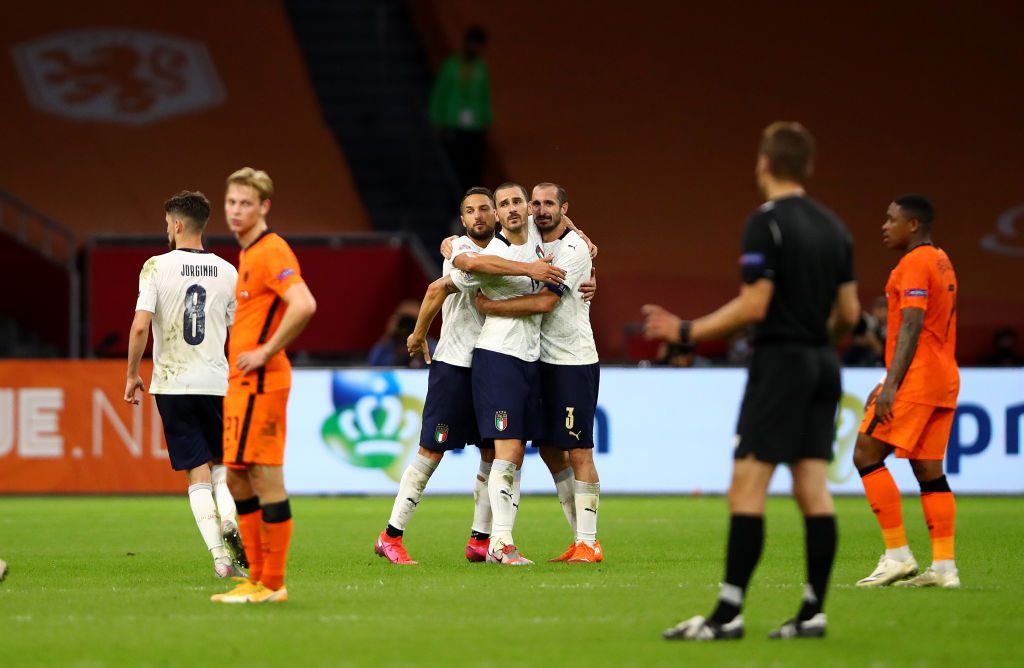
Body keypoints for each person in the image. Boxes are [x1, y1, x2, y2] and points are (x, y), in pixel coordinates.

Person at [644, 122, 860, 640]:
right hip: (823, 363)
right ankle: (812, 612)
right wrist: (818, 343)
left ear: (763, 163)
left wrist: (686, 331)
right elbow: (850, 315)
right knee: (812, 487)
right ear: (807, 167)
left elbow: (755, 305)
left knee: (746, 487)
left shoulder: (765, 223)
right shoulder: (834, 227)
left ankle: (728, 614)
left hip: (781, 363)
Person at [374, 186, 565, 565]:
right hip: (455, 362)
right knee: (432, 450)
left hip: (491, 364)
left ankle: (480, 538)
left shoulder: (515, 243)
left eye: (484, 209)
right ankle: (391, 534)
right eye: (470, 211)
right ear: (462, 220)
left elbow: (554, 216)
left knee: (492, 451)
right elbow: (436, 289)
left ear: (496, 214)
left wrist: (583, 240)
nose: (478, 216)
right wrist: (418, 335)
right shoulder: (462, 251)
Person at [474, 183, 604, 564]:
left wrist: (492, 307)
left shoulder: (573, 249)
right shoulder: (530, 233)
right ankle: (577, 539)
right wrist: (450, 243)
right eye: (537, 203)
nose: (542, 209)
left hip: (573, 361)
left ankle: (589, 541)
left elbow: (547, 301)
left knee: (578, 449)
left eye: (551, 204)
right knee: (548, 450)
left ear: (564, 207)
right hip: (537, 360)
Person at [123, 191, 244, 580]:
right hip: (216, 382)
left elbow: (140, 326)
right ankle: (230, 518)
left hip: (173, 383)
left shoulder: (156, 267)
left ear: (176, 224)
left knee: (195, 472)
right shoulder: (228, 271)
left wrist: (132, 374)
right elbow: (237, 332)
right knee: (222, 464)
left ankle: (220, 559)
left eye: (166, 223)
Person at [210, 168, 317, 604]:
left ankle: (272, 583)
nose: (236, 211)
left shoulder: (271, 250)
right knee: (237, 476)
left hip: (262, 382)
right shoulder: (249, 253)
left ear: (264, 207)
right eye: (231, 202)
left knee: (264, 477)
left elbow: (304, 303)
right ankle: (257, 577)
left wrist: (267, 350)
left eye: (245, 204)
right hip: (243, 383)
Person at [852, 195, 961, 589]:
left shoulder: (914, 263)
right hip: (943, 378)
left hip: (917, 378)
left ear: (912, 225)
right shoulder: (941, 259)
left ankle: (897, 555)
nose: (884, 226)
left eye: (891, 219)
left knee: (865, 453)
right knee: (929, 470)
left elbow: (912, 324)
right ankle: (944, 568)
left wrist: (891, 384)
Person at [429, 26, 493, 194]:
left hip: (475, 127)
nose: (474, 48)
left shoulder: (481, 67)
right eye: (472, 43)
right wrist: (436, 119)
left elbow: (484, 95)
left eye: (478, 45)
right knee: (455, 168)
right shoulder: (451, 65)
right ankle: (454, 202)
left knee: (474, 169)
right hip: (453, 124)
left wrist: (486, 120)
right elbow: (440, 93)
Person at [367, 301, 435, 369]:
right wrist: (388, 335)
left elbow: (436, 367)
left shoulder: (431, 346)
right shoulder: (386, 346)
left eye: (413, 321)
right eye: (404, 320)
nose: (408, 325)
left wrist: (420, 341)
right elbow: (373, 367)